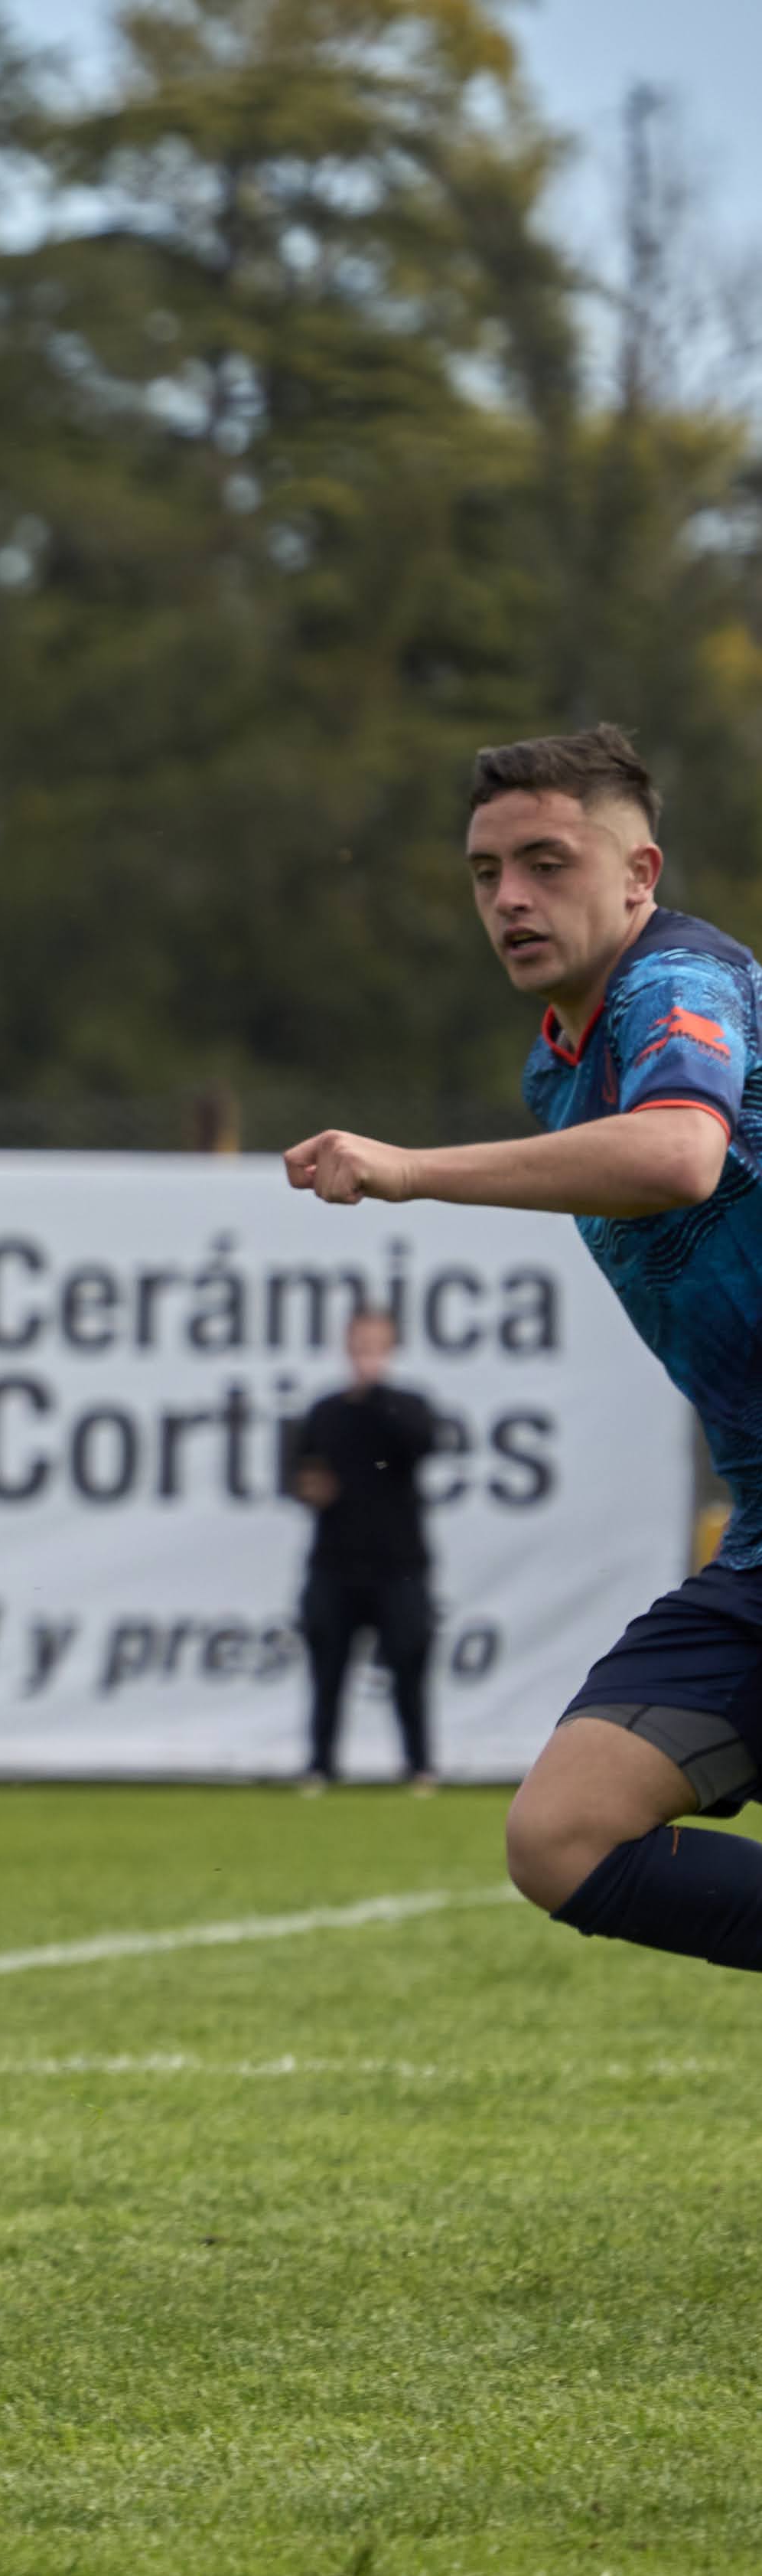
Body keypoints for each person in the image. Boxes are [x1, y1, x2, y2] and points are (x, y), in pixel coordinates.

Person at [289, 722, 762, 1983]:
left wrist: (406, 1172)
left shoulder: (679, 981)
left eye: (546, 863)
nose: (507, 897)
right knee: (561, 1836)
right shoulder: (557, 1066)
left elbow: (676, 1155)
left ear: (637, 874)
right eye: (484, 873)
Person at [283, 1306, 440, 1790]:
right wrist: (310, 1487)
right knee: (327, 1667)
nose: (368, 1352)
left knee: (409, 1664)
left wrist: (376, 1392)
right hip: (336, 1562)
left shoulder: (406, 1406)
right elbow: (296, 1473)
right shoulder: (326, 1410)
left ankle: (419, 1765)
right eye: (361, 1342)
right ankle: (321, 1764)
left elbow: (422, 1444)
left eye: (378, 1342)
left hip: (398, 1563)